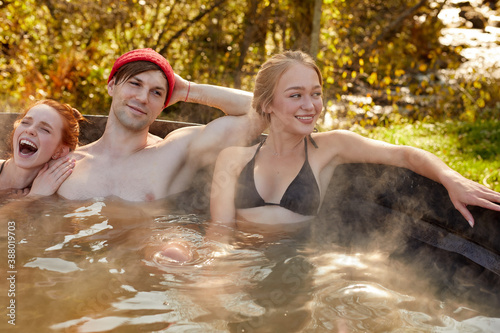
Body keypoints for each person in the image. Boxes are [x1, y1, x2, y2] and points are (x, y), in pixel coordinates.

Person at [209, 50, 500, 240]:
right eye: (295, 95)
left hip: (295, 262)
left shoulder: (331, 147)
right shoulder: (233, 159)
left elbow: (406, 155)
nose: (310, 106)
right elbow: (219, 234)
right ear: (267, 104)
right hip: (242, 259)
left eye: (316, 93)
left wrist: (452, 178)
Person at [57, 48, 263, 201]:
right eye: (135, 83)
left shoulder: (173, 152)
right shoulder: (66, 164)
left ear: (165, 103)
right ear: (112, 86)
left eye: (156, 92)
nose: (143, 97)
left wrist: (187, 90)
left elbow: (263, 113)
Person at [0, 99, 84, 197]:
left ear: (59, 151)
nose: (30, 130)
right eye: (25, 122)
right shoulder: (39, 193)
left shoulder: (51, 191)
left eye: (44, 129)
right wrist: (33, 197)